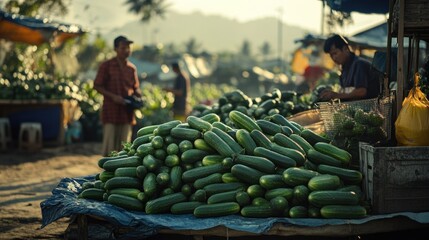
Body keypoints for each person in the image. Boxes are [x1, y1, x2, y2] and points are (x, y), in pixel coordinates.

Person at [94, 35, 142, 156]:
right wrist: (113, 97)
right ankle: (108, 171)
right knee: (110, 149)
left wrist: (139, 97)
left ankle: (121, 172)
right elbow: (97, 86)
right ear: (115, 49)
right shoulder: (106, 66)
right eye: (123, 47)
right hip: (111, 111)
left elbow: (136, 88)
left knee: (125, 148)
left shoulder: (132, 69)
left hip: (127, 112)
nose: (127, 50)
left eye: (128, 48)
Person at [319, 34, 381, 101]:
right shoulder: (344, 69)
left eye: (335, 53)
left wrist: (336, 95)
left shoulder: (359, 64)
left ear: (345, 49)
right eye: (331, 55)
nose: (334, 58)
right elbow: (347, 93)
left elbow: (361, 92)